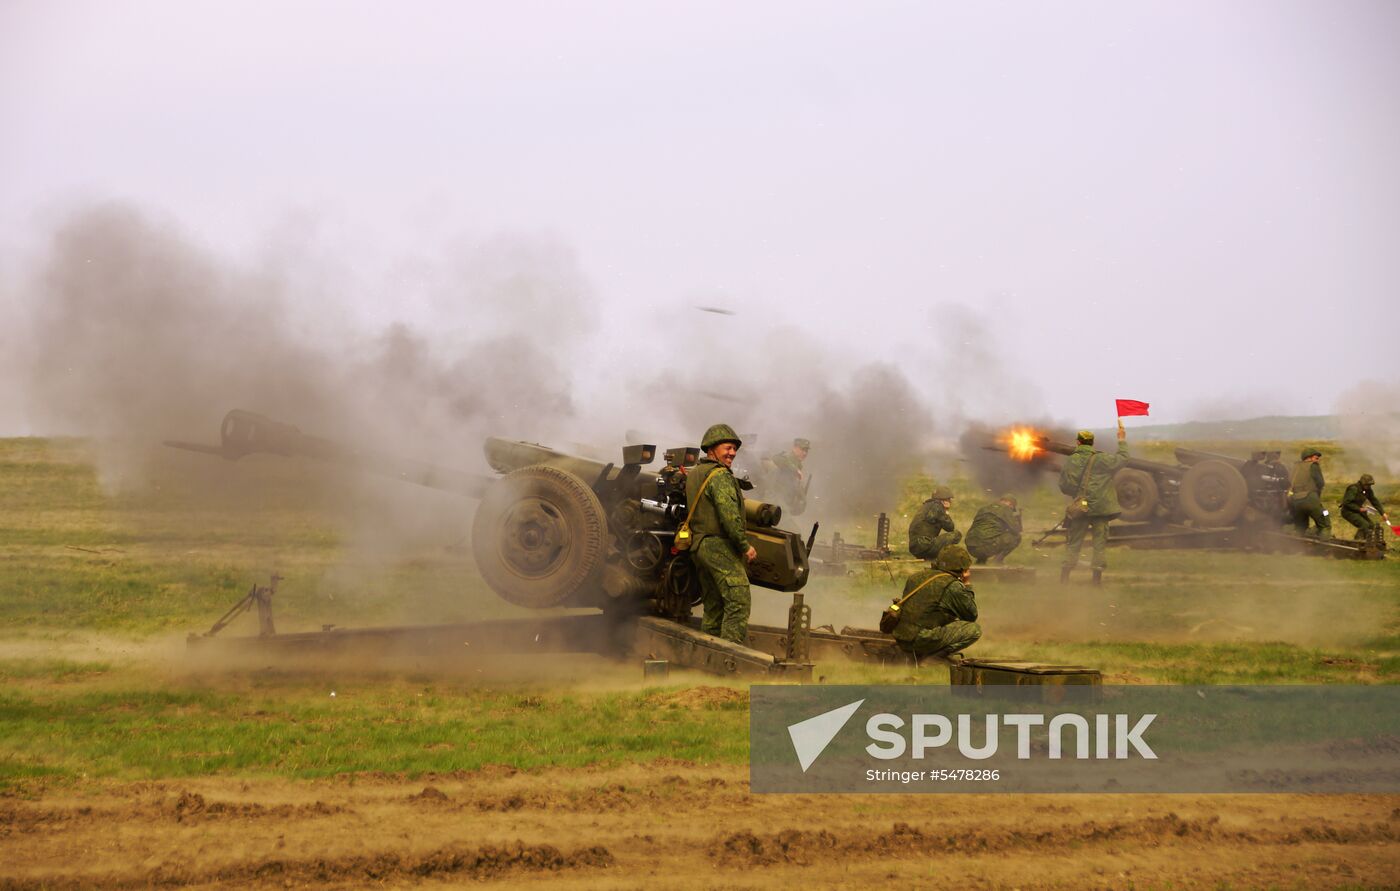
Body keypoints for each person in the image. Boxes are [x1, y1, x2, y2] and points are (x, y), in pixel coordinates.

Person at [686, 423, 757, 645]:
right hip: (718, 546)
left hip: (698, 546)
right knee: (738, 599)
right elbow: (729, 516)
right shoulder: (720, 475)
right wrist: (744, 545)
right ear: (711, 449)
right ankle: (730, 659)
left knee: (714, 606)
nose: (732, 453)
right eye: (728, 448)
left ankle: (709, 656)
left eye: (735, 449)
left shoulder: (695, 473)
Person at [1058, 425, 1130, 586]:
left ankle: (1064, 580)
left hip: (1080, 509)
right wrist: (1122, 439)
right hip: (1101, 509)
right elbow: (1123, 458)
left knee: (1074, 543)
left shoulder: (1071, 460)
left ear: (1078, 442)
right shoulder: (1102, 459)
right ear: (1092, 443)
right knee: (1099, 545)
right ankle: (1096, 582)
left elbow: (1064, 485)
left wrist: (1076, 495)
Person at [889, 544, 981, 664]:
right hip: (921, 639)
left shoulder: (916, 577)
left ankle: (918, 654)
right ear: (963, 569)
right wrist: (967, 584)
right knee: (974, 630)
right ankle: (934, 658)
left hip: (901, 637)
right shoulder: (952, 586)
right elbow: (971, 615)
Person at [965, 494, 1023, 564]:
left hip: (971, 547)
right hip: (986, 547)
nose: (1011, 509)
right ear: (1010, 504)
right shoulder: (1006, 509)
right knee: (1016, 537)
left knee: (987, 535)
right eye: (1012, 507)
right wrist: (1018, 520)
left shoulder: (984, 508)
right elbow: (1016, 530)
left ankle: (981, 561)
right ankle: (997, 561)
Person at [908, 485, 960, 562]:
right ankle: (935, 557)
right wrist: (946, 511)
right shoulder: (937, 507)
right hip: (924, 545)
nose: (950, 502)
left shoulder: (926, 506)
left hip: (915, 547)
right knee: (956, 535)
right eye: (949, 499)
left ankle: (929, 558)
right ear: (943, 500)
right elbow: (950, 527)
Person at [1287, 447, 1331, 539]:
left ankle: (1294, 548)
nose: (1318, 460)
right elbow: (1320, 483)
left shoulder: (1295, 467)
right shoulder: (1313, 466)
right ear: (1309, 458)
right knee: (1325, 516)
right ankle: (1325, 547)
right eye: (1316, 458)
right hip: (1310, 498)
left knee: (1300, 527)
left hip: (1295, 501)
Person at [761, 437, 811, 515]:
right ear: (794, 448)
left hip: (783, 507)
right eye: (802, 449)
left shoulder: (798, 464)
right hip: (774, 504)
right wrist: (795, 470)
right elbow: (777, 458)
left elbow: (794, 488)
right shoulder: (787, 458)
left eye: (806, 451)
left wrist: (801, 502)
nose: (805, 453)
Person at [1339, 473, 1388, 541]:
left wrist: (1382, 513)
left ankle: (1366, 542)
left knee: (1371, 525)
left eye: (1370, 485)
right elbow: (1346, 503)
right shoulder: (1353, 489)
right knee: (1364, 525)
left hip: (1358, 511)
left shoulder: (1368, 490)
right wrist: (1359, 509)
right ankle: (1357, 542)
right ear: (1363, 483)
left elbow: (1374, 501)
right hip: (1348, 511)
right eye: (1367, 485)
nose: (1369, 486)